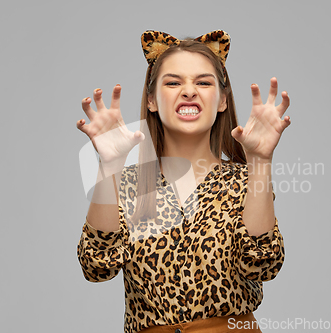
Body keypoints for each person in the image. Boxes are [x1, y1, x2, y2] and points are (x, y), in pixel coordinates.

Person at [76, 30, 291, 333]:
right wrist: (109, 165)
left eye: (203, 82)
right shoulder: (124, 185)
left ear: (222, 101)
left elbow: (262, 264)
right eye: (173, 82)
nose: (189, 92)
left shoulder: (247, 180)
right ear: (151, 100)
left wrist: (261, 162)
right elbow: (97, 266)